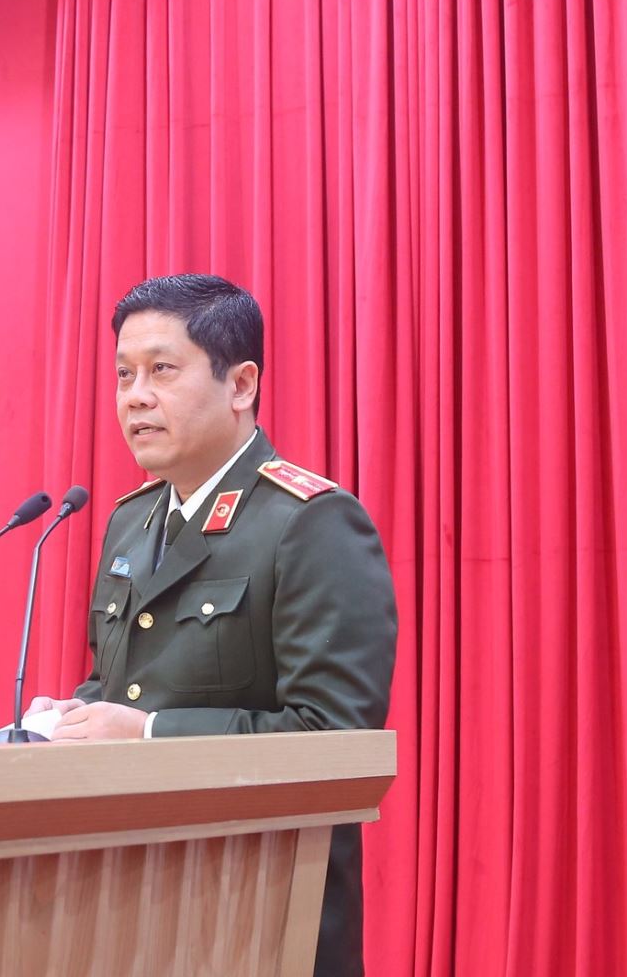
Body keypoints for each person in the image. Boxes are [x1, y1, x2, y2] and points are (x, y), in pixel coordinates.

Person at [25, 274, 396, 977]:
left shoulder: (309, 522)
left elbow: (335, 738)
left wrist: (146, 734)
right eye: (124, 375)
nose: (135, 396)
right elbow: (120, 683)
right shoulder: (130, 521)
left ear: (241, 384)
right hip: (128, 907)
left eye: (162, 369)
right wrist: (69, 719)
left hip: (260, 916)